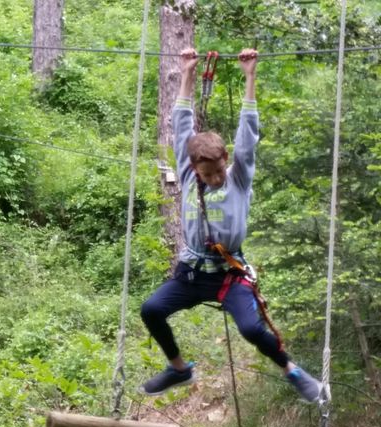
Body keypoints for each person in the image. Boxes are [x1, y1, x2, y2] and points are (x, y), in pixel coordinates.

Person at [138, 48, 322, 402]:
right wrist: (187, 73)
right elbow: (181, 126)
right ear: (194, 169)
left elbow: (247, 137)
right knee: (151, 310)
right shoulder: (190, 177)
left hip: (229, 274)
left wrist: (250, 76)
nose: (216, 178)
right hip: (192, 273)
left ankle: (293, 371)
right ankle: (179, 369)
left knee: (251, 329)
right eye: (208, 174)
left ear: (226, 160)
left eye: (219, 170)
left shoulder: (238, 178)